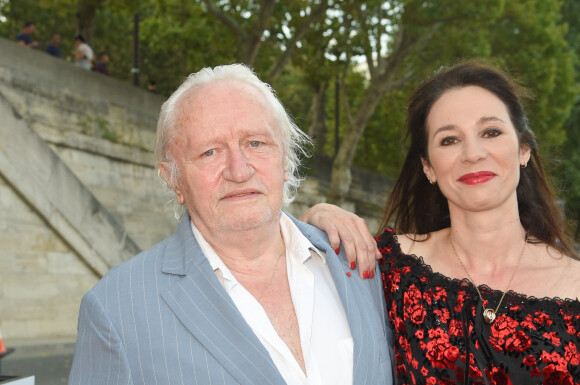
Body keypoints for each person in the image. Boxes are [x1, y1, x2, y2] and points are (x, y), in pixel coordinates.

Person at [68, 64, 393, 385]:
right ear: (173, 178)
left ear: (285, 158)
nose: (239, 170)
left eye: (256, 143)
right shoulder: (116, 310)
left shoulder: (358, 260)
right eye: (209, 152)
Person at [302, 60, 580, 384]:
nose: (473, 154)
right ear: (428, 167)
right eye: (449, 140)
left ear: (523, 150)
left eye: (491, 132)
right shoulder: (385, 267)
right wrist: (312, 222)